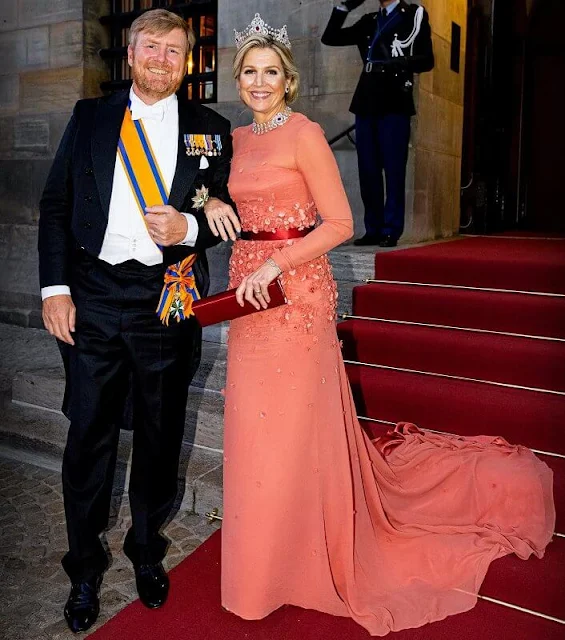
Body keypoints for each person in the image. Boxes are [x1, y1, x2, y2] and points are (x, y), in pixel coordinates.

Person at [202, 14, 555, 637]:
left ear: (289, 80)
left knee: (294, 433)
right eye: (250, 72)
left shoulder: (306, 133)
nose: (261, 83)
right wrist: (211, 202)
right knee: (256, 434)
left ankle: (304, 558)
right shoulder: (236, 139)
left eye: (272, 73)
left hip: (296, 296)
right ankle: (265, 562)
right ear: (239, 78)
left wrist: (279, 262)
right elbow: (226, 197)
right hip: (250, 299)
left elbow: (338, 223)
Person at [38, 9, 239, 634]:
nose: (161, 59)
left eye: (174, 51)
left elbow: (223, 211)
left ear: (189, 62)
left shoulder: (212, 129)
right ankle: (84, 569)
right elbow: (55, 205)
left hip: (164, 299)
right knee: (89, 436)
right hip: (93, 296)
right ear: (130, 54)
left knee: (159, 434)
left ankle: (147, 552)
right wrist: (54, 288)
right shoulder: (90, 117)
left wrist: (190, 227)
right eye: (150, 47)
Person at [322, 0, 434, 247]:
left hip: (394, 99)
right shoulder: (369, 20)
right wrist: (343, 7)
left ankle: (391, 229)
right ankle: (372, 228)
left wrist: (399, 63)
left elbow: (427, 60)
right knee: (368, 171)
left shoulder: (413, 14)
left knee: (394, 170)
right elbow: (329, 38)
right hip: (367, 100)